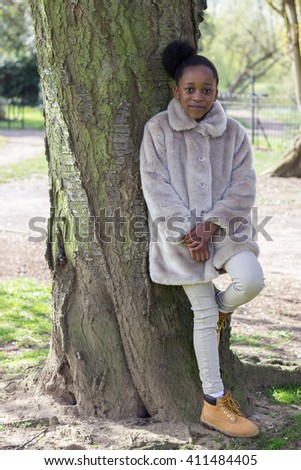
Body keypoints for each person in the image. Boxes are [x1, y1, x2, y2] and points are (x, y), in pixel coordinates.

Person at [139, 39, 265, 438]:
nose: (198, 96)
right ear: (176, 90)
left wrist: (210, 226)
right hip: (178, 240)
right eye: (189, 89)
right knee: (202, 313)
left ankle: (222, 308)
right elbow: (155, 184)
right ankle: (214, 402)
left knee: (251, 280)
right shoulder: (158, 129)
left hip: (225, 230)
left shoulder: (234, 133)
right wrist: (186, 233)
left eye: (206, 90)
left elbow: (244, 187)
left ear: (216, 91)